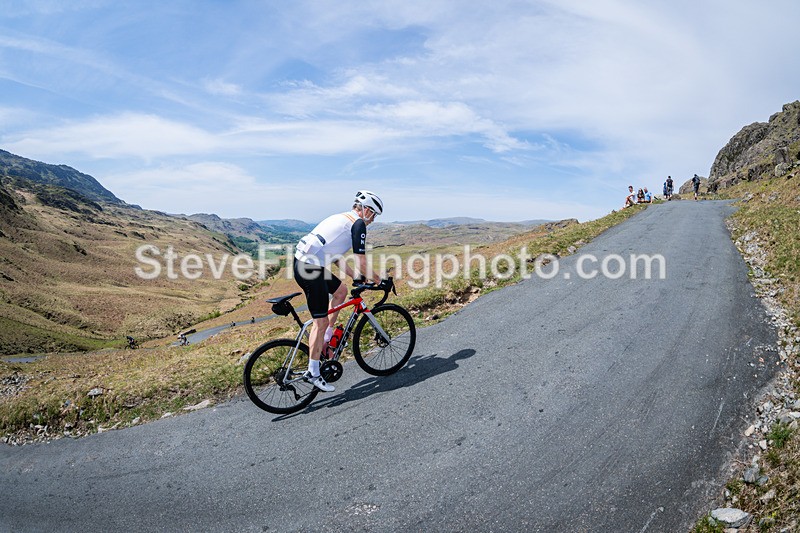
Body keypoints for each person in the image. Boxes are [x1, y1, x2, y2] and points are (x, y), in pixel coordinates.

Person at [293, 190, 386, 392]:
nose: (373, 220)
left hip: (307, 265)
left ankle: (326, 338)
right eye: (373, 215)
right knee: (319, 321)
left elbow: (334, 257)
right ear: (366, 210)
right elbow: (362, 261)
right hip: (310, 270)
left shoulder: (341, 217)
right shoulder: (358, 224)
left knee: (341, 291)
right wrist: (380, 281)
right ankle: (313, 373)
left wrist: (354, 276)